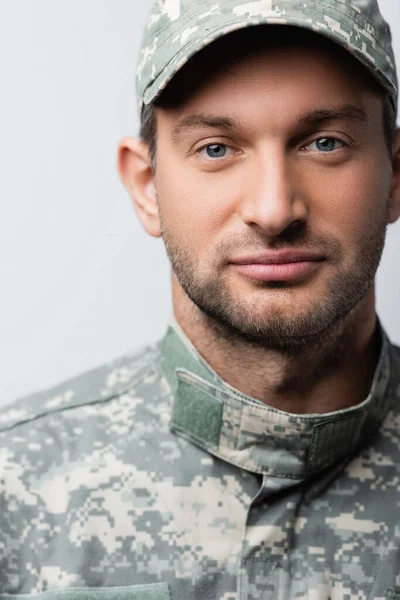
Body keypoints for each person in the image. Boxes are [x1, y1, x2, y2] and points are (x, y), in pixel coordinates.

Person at [1, 0, 400, 598]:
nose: (272, 210)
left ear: (396, 177)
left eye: (324, 143)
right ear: (147, 187)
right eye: (216, 148)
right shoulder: (15, 487)